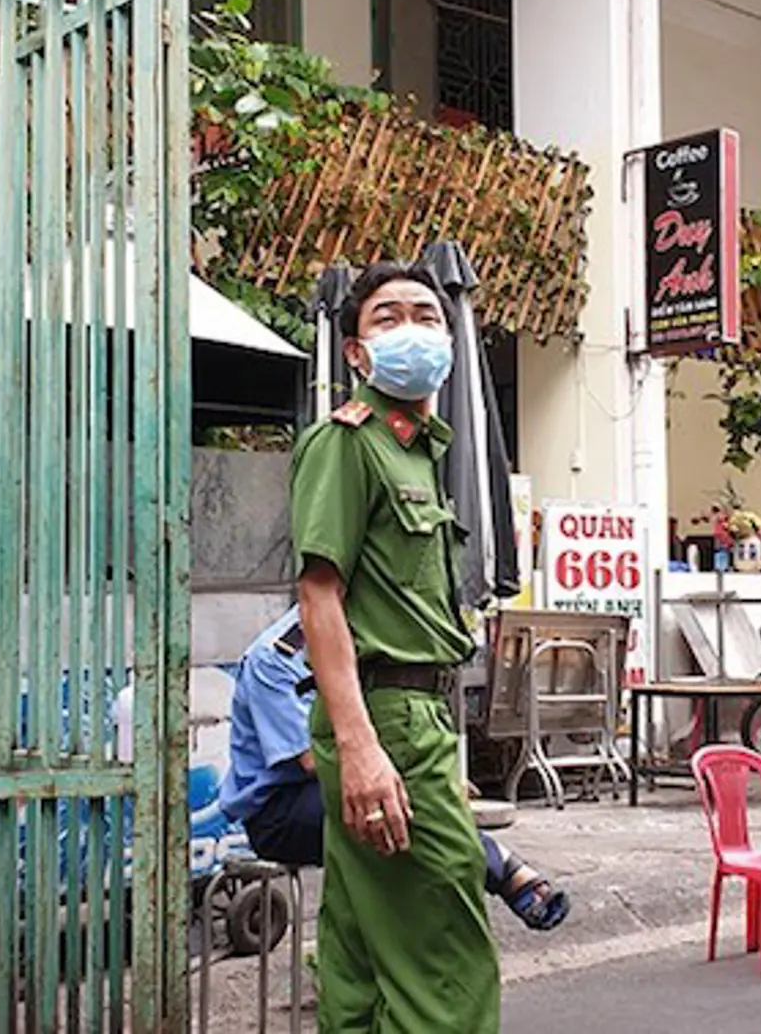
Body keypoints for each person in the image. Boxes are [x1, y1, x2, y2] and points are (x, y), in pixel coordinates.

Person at [290, 261, 499, 1032]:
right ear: (354, 352)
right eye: (387, 317)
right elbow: (319, 595)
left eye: (426, 314)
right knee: (443, 961)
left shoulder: (420, 453)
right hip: (386, 716)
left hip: (411, 719)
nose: (411, 328)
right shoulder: (348, 443)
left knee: (362, 955)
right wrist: (361, 742)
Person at [217, 605, 569, 931]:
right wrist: (423, 788)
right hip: (281, 811)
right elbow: (314, 760)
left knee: (409, 829)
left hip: (333, 790)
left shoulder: (366, 645)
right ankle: (503, 870)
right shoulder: (275, 659)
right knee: (400, 809)